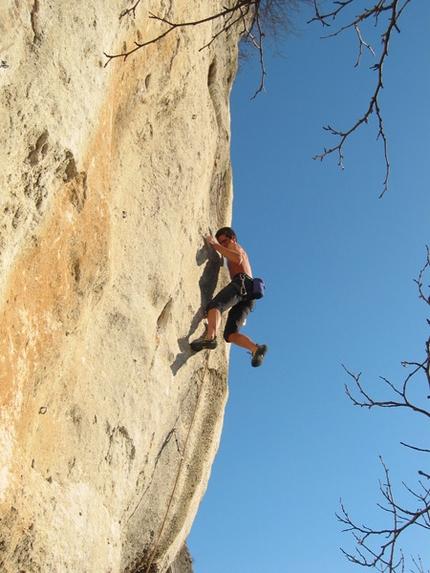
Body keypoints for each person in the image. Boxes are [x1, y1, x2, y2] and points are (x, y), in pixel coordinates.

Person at [190, 227, 268, 367]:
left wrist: (215, 244)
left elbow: (237, 258)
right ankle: (255, 349)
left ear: (233, 238)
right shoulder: (232, 248)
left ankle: (210, 338)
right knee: (230, 334)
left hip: (242, 283)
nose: (224, 244)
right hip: (249, 296)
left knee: (215, 306)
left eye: (225, 240)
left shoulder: (234, 246)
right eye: (221, 242)